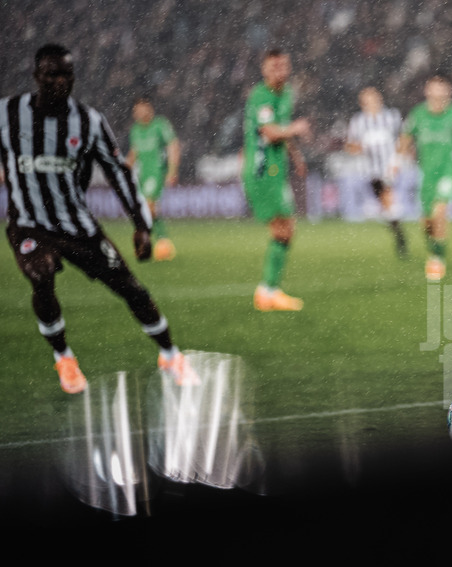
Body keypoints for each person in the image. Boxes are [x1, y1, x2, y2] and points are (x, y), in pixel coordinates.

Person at [0, 44, 197, 394]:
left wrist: (141, 224)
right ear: (36, 76)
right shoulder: (8, 114)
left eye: (66, 75)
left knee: (132, 290)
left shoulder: (88, 121)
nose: (59, 82)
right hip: (28, 223)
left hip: (78, 227)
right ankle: (64, 356)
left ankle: (170, 354)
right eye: (51, 74)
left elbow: (119, 173)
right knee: (40, 273)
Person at [243, 48, 311, 311]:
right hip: (262, 171)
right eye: (274, 67)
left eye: (283, 66)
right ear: (264, 70)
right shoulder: (261, 96)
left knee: (286, 228)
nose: (279, 71)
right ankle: (268, 291)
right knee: (283, 228)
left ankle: (269, 290)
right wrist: (296, 128)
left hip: (276, 170)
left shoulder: (287, 94)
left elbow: (281, 130)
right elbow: (270, 133)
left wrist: (295, 155)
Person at [397, 75, 452, 282]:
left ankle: (436, 259)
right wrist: (398, 161)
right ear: (427, 91)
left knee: (439, 212)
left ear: (449, 92)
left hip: (448, 171)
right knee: (426, 223)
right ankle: (434, 249)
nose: (439, 94)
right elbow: (405, 138)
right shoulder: (418, 114)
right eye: (435, 89)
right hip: (426, 174)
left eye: (443, 90)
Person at [345, 86, 407, 258]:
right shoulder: (358, 121)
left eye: (373, 98)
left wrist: (398, 160)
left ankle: (399, 234)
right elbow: (350, 145)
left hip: (389, 167)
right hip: (370, 170)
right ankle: (397, 230)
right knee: (386, 207)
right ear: (362, 103)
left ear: (379, 99)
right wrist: (360, 147)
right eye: (366, 100)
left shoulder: (391, 117)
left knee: (387, 196)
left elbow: (403, 138)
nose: (370, 103)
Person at [126, 96, 180, 261]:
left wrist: (172, 170)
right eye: (137, 109)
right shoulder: (135, 130)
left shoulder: (160, 125)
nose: (140, 112)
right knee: (148, 210)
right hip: (141, 175)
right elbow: (134, 153)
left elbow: (173, 145)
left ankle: (160, 242)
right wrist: (123, 170)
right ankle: (160, 241)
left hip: (156, 172)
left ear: (150, 108)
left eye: (143, 108)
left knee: (149, 206)